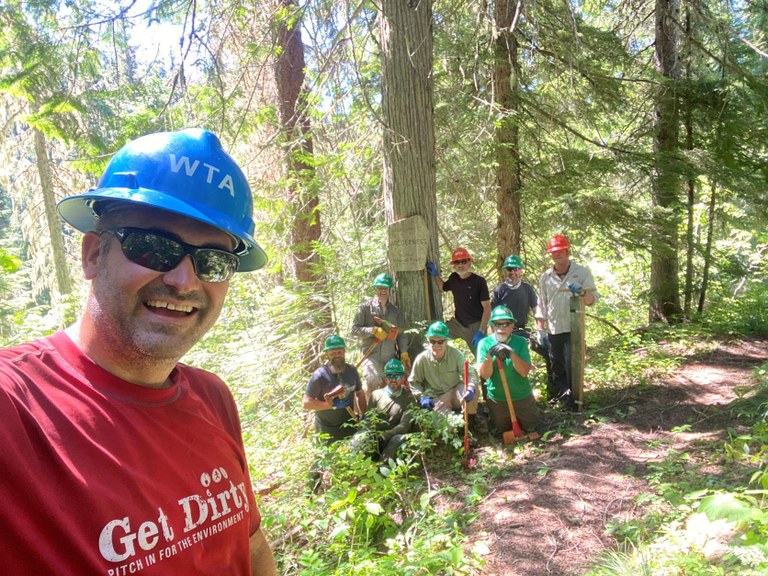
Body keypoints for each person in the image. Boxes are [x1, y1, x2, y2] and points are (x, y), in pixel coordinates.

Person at [0, 129, 277, 574]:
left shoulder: (213, 398)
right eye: (155, 247)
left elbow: (252, 546)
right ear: (93, 255)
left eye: (213, 262)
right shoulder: (15, 409)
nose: (185, 281)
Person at [534, 234, 598, 410]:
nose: (556, 255)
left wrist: (583, 294)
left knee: (573, 362)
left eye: (560, 251)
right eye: (553, 252)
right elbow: (542, 304)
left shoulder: (581, 272)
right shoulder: (545, 277)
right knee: (557, 364)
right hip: (554, 328)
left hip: (574, 328)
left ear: (567, 251)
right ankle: (564, 396)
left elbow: (594, 299)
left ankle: (577, 397)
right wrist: (540, 329)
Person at [491, 254, 553, 396]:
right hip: (505, 333)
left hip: (523, 332)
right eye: (510, 269)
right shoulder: (500, 290)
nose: (513, 272)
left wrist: (540, 330)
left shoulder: (527, 288)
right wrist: (493, 334)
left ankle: (552, 391)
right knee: (504, 361)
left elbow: (536, 309)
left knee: (549, 353)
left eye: (516, 269)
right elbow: (493, 313)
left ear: (521, 270)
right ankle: (504, 393)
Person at [477, 306, 542, 437]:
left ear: (512, 325)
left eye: (506, 323)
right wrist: (490, 356)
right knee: (501, 431)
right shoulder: (484, 344)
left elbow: (524, 372)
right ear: (492, 326)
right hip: (498, 399)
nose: (502, 327)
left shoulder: (520, 342)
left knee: (534, 427)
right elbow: (484, 375)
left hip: (521, 396)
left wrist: (511, 353)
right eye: (498, 324)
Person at [409, 321, 480, 431]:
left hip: (455, 392)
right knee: (443, 427)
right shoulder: (422, 359)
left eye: (440, 342)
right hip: (437, 398)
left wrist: (470, 388)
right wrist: (422, 396)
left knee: (470, 392)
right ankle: (455, 433)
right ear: (428, 341)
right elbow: (414, 382)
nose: (436, 345)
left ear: (446, 341)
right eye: (433, 341)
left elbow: (470, 373)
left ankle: (471, 425)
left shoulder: (456, 355)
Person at [351, 272, 410, 401]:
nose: (382, 291)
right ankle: (371, 415)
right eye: (379, 287)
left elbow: (401, 333)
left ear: (390, 290)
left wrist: (404, 352)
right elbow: (354, 330)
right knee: (373, 381)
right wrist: (372, 330)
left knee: (395, 384)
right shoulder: (365, 309)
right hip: (371, 356)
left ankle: (389, 414)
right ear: (375, 288)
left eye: (385, 288)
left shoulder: (396, 311)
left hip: (390, 357)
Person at [426, 247, 491, 354]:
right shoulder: (454, 278)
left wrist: (481, 331)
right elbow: (442, 288)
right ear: (454, 265)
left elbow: (487, 307)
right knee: (435, 335)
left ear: (470, 263)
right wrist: (436, 275)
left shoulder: (479, 282)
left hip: (475, 327)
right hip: (457, 324)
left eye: (464, 261)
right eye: (457, 262)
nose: (460, 265)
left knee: (483, 357)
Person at [303, 334, 367, 442]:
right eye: (332, 353)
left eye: (339, 352)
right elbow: (306, 403)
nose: (337, 355)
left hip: (350, 426)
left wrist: (364, 415)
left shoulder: (351, 371)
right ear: (327, 354)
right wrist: (326, 405)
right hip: (326, 429)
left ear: (344, 351)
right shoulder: (320, 375)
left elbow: (360, 393)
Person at [366, 358, 417, 461]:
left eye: (397, 376)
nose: (393, 379)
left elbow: (405, 426)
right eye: (390, 376)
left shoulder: (410, 399)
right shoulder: (376, 395)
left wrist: (386, 435)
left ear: (403, 378)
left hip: (394, 437)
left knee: (397, 440)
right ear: (385, 378)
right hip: (377, 437)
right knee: (363, 437)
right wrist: (372, 435)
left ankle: (384, 467)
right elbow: (368, 420)